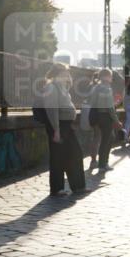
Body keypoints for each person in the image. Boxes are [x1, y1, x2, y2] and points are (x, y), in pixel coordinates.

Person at [41, 64, 87, 197]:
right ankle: (56, 189)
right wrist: (56, 129)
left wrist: (69, 81)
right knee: (58, 157)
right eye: (65, 72)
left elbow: (67, 91)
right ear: (58, 73)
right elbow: (52, 110)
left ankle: (78, 186)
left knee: (75, 153)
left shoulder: (62, 87)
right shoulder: (51, 87)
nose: (67, 75)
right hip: (58, 125)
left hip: (66, 125)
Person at [86, 68, 121, 171]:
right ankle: (103, 164)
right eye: (110, 76)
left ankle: (97, 162)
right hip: (105, 117)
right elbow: (110, 107)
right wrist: (116, 121)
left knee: (100, 138)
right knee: (107, 140)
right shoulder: (107, 88)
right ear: (106, 77)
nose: (111, 78)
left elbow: (90, 101)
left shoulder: (95, 87)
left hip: (95, 115)